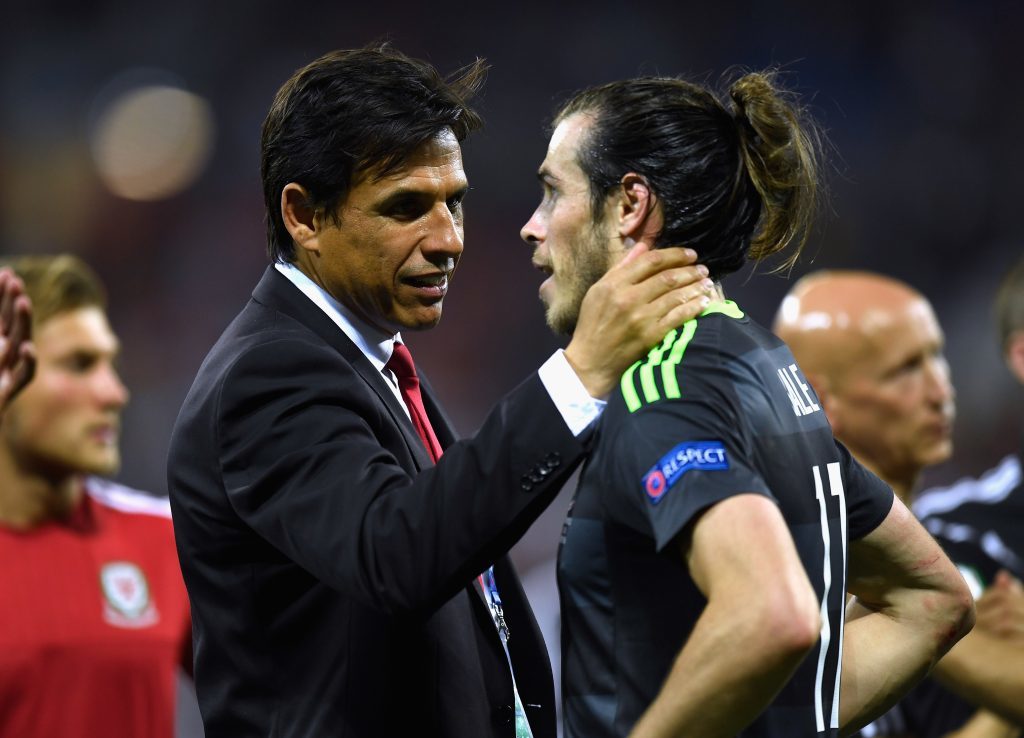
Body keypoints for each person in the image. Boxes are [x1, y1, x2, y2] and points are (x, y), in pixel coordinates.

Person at [167, 44, 713, 738]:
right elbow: (396, 553)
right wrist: (580, 373)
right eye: (406, 208)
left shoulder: (367, 361)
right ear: (304, 216)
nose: (449, 240)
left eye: (454, 202)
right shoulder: (268, 375)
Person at [518, 73, 974, 738]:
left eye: (553, 191)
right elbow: (933, 598)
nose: (532, 227)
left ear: (630, 205)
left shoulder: (666, 388)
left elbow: (773, 614)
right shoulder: (768, 369)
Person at [775, 268, 1024, 738]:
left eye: (937, 357)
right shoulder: (795, 562)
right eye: (907, 369)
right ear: (818, 399)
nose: (941, 393)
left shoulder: (965, 550)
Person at [0, 254, 192, 738]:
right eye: (79, 364)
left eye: (111, 363)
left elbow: (289, 693)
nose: (114, 393)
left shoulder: (169, 540)